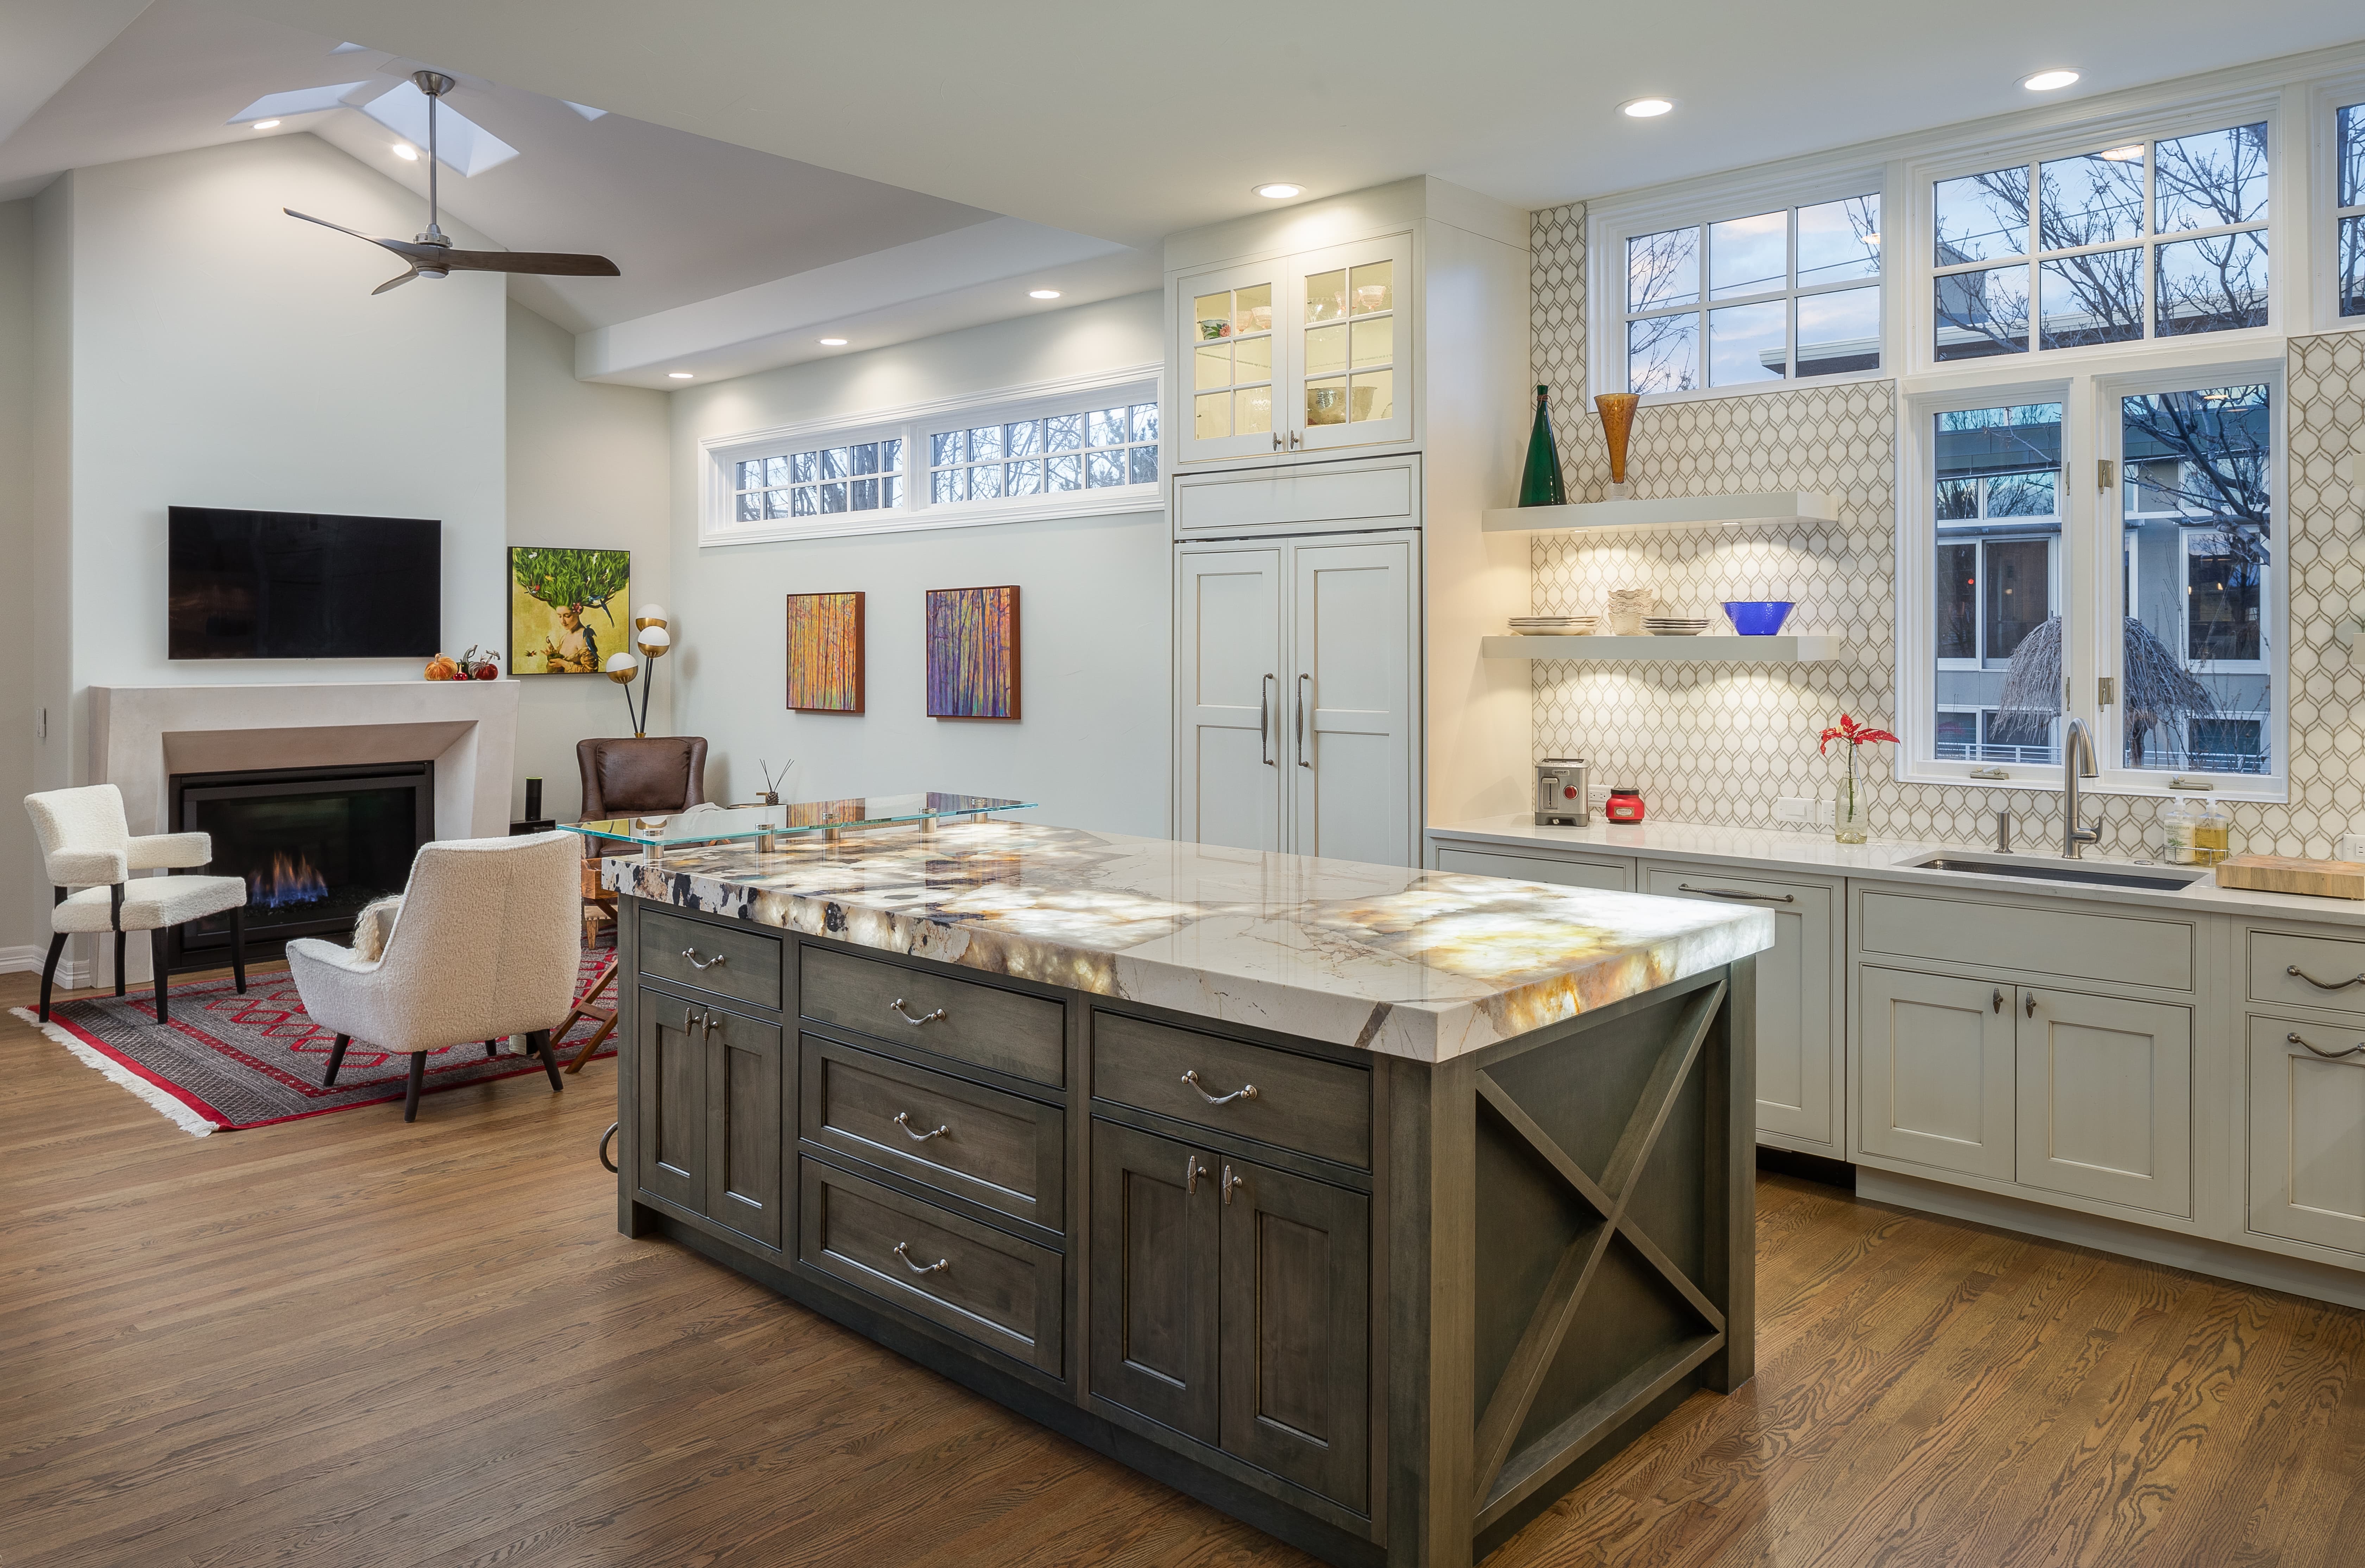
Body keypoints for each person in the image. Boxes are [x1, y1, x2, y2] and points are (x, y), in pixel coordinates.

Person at [541, 603, 600, 673]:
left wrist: (562, 663)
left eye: (567, 616)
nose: (563, 621)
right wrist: (553, 657)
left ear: (578, 612)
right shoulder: (565, 638)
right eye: (560, 616)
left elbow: (590, 672)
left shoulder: (583, 638)